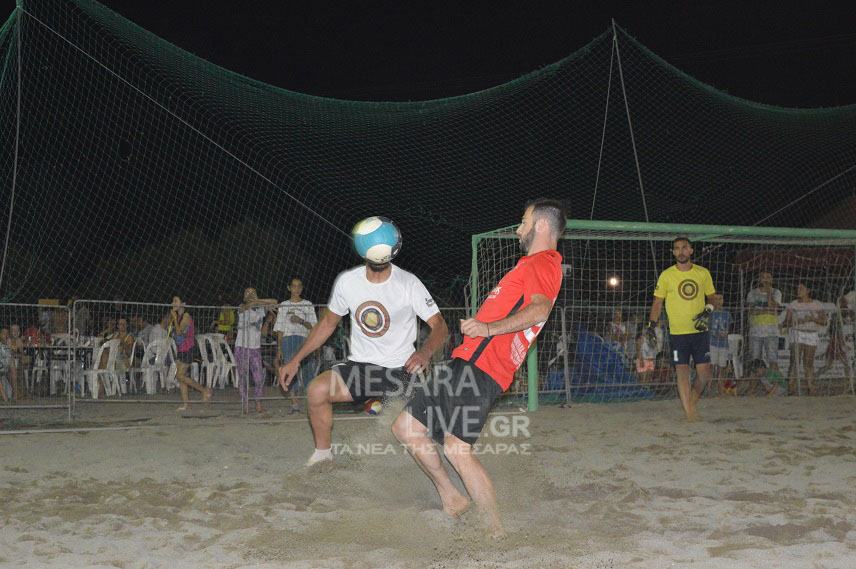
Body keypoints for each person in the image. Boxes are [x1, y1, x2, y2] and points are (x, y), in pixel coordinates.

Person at [392, 198, 566, 538]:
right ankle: (452, 496)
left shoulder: (544, 263)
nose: (519, 228)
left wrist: (487, 329)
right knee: (405, 427)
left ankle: (494, 531)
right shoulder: (527, 265)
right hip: (465, 363)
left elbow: (540, 310)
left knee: (457, 448)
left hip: (483, 369)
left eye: (524, 221)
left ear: (542, 226)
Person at [278, 219, 449, 469]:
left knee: (423, 433)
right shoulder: (348, 282)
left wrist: (424, 352)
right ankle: (323, 455)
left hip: (402, 370)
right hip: (360, 368)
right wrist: (295, 360)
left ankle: (446, 452)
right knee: (316, 391)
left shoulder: (408, 283)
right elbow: (327, 324)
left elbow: (440, 326)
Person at [646, 236, 722, 421]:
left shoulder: (702, 273)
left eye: (684, 247)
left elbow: (713, 297)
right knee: (682, 371)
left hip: (699, 331)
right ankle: (690, 413)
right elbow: (657, 302)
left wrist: (707, 310)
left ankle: (692, 399)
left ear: (691, 250)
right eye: (677, 248)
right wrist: (651, 326)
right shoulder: (666, 275)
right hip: (677, 333)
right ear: (673, 252)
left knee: (704, 373)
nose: (680, 251)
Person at [274, 278, 318, 414]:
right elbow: (280, 329)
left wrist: (301, 320)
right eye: (294, 286)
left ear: (302, 288)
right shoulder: (283, 305)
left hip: (304, 340)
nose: (296, 289)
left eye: (299, 286)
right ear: (289, 288)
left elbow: (314, 327)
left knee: (308, 371)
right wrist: (279, 349)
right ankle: (294, 404)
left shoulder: (308, 304)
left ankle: (312, 404)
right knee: (289, 372)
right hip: (287, 340)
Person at [162, 296, 212, 410]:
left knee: (179, 375)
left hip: (189, 348)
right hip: (182, 349)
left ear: (183, 304)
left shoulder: (186, 316)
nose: (173, 303)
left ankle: (204, 390)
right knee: (181, 377)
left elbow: (179, 332)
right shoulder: (178, 316)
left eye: (176, 301)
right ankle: (186, 403)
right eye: (172, 301)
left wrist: (174, 318)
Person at [235, 287, 278, 414]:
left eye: (253, 292)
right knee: (243, 376)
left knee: (258, 377)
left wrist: (259, 301)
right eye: (247, 292)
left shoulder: (260, 309)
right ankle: (245, 403)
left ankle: (258, 402)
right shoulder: (241, 307)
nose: (250, 294)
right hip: (241, 346)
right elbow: (250, 304)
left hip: (255, 348)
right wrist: (256, 301)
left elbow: (275, 302)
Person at [784, 282, 827, 396]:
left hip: (811, 334)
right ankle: (791, 389)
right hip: (797, 333)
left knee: (809, 363)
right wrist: (797, 320)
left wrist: (812, 318)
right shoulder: (793, 304)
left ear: (808, 290)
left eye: (801, 288)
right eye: (797, 288)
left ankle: (811, 389)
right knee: (794, 361)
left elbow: (824, 321)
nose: (798, 290)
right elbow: (786, 322)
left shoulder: (817, 304)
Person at [746, 271, 782, 371]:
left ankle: (774, 385)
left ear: (772, 280)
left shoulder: (776, 292)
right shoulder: (752, 293)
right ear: (759, 279)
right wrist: (767, 310)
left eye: (768, 277)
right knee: (755, 361)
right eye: (763, 277)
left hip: (772, 332)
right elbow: (751, 311)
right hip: (755, 332)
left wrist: (769, 293)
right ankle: (755, 384)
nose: (765, 279)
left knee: (773, 360)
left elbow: (775, 308)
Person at [709, 303, 733, 390]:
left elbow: (729, 327)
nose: (718, 301)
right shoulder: (710, 313)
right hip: (712, 343)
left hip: (723, 344)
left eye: (720, 299)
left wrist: (726, 332)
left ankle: (720, 387)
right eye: (716, 299)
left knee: (721, 367)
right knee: (711, 366)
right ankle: (709, 387)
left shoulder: (727, 314)